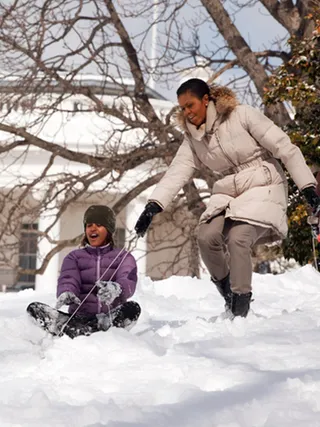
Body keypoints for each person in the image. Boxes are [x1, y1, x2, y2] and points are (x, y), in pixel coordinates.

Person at [134, 78, 320, 318]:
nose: (187, 113)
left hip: (264, 182)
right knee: (206, 236)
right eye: (182, 108)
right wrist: (152, 206)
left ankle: (240, 308)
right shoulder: (193, 138)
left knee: (238, 237)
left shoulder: (241, 115)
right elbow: (176, 172)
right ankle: (228, 294)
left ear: (206, 99)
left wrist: (307, 186)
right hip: (229, 190)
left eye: (190, 105)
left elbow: (286, 147)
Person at [27, 205, 140, 338]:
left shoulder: (123, 257)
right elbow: (68, 278)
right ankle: (75, 328)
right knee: (34, 308)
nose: (92, 228)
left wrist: (117, 288)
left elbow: (128, 280)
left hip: (109, 317)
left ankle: (95, 329)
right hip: (79, 318)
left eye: (99, 224)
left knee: (133, 308)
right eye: (89, 225)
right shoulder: (74, 257)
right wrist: (67, 292)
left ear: (109, 229)